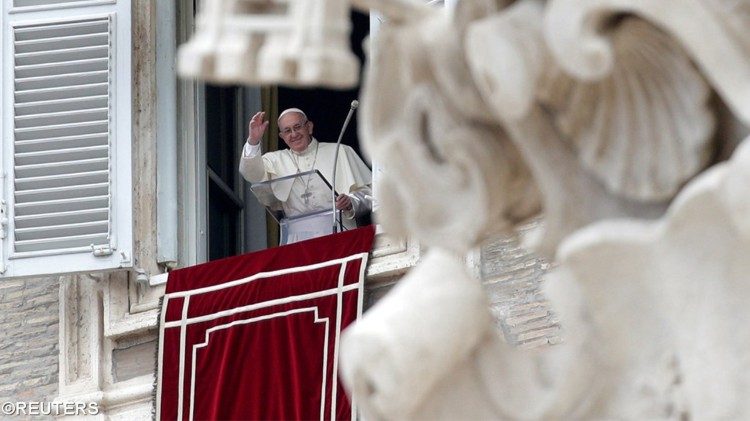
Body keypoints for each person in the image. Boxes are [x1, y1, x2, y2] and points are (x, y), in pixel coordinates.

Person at [239, 108, 373, 238]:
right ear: (282, 136)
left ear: (309, 127)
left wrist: (351, 202)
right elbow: (251, 174)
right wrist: (253, 141)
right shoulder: (274, 160)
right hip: (297, 238)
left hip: (340, 230)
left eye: (297, 127)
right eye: (287, 130)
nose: (294, 134)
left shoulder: (340, 151)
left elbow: (370, 194)